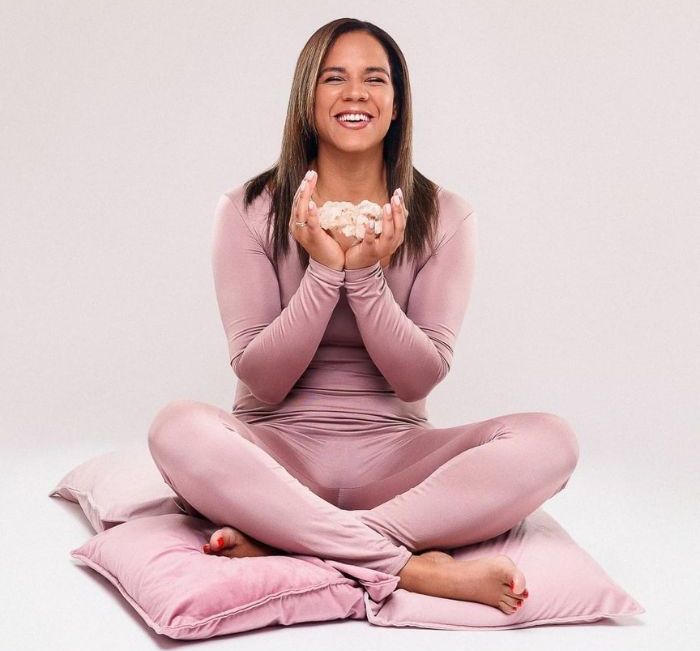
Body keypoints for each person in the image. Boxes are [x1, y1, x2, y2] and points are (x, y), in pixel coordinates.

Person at [147, 18, 579, 615]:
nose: (356, 93)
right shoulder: (249, 209)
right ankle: (405, 566)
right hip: (276, 457)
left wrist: (367, 278)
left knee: (551, 442)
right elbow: (262, 378)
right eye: (334, 78)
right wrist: (325, 274)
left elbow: (418, 378)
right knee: (175, 426)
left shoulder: (444, 215)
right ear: (307, 98)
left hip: (397, 463)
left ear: (396, 103)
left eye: (375, 78)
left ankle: (292, 542)